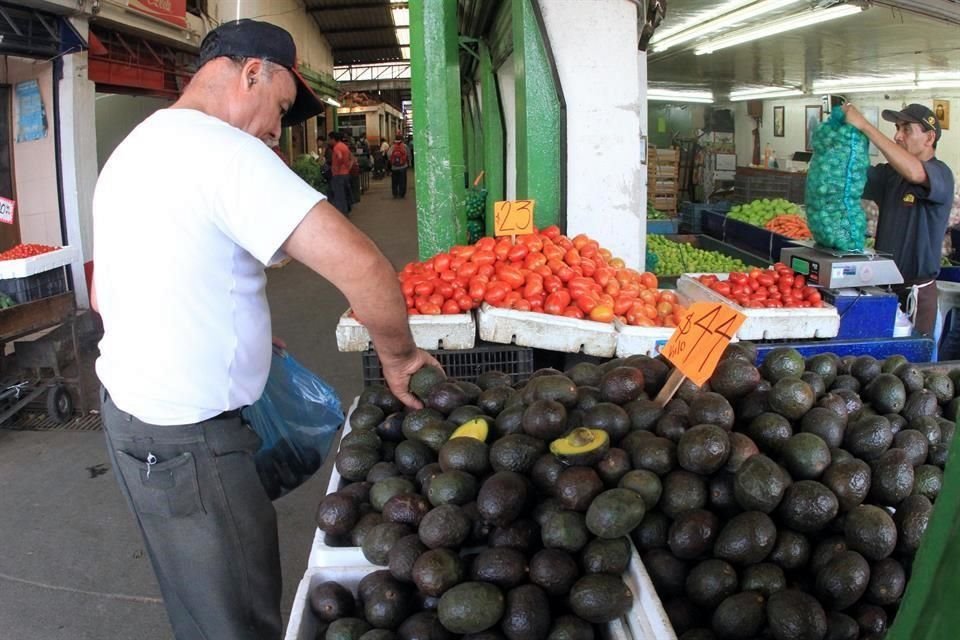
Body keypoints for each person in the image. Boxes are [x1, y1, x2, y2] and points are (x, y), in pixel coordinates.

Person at [91, 19, 438, 640]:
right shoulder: (224, 151)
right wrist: (401, 355)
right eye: (279, 108)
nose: (278, 130)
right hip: (190, 442)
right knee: (236, 615)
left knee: (196, 601)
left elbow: (107, 293)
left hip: (131, 422)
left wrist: (233, 328)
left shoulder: (136, 148)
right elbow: (363, 266)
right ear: (252, 72)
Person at [843, 102, 954, 336]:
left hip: (916, 296)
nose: (897, 135)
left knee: (910, 368)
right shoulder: (890, 175)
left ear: (929, 137)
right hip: (882, 291)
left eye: (906, 129)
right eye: (897, 128)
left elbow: (915, 172)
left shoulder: (940, 173)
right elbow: (849, 176)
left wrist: (865, 125)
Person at [329, 130, 353, 214]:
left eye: (330, 139)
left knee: (339, 195)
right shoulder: (344, 146)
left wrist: (337, 168)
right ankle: (346, 210)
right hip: (345, 173)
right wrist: (348, 167)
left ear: (333, 139)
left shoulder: (336, 147)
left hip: (338, 175)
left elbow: (339, 157)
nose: (329, 141)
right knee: (345, 194)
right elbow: (351, 157)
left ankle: (342, 213)